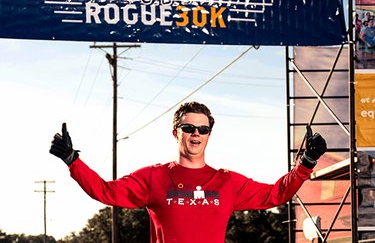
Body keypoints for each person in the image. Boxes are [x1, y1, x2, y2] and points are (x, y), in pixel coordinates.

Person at [49, 101, 327, 243]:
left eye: (203, 129)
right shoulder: (152, 177)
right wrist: (73, 161)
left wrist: (306, 163)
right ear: (176, 132)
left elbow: (274, 195)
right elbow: (106, 192)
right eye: (189, 128)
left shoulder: (227, 181)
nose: (196, 133)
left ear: (209, 135)